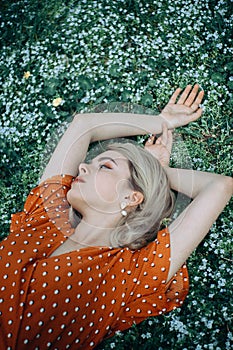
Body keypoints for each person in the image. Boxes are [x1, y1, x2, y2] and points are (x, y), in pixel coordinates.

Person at [0, 84, 232, 349]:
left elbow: (220, 186)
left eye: (105, 166)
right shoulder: (46, 216)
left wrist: (153, 174)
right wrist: (161, 121)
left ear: (131, 197)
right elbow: (83, 126)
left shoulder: (132, 273)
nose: (83, 165)